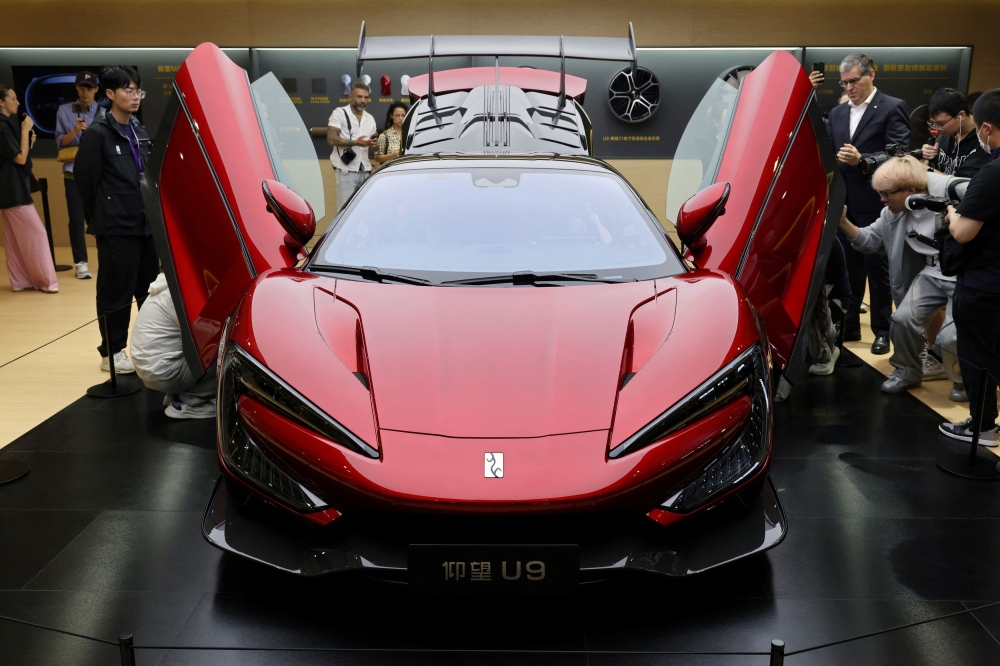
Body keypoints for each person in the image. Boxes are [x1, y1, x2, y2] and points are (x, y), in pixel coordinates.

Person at [838, 156, 962, 396]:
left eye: (887, 194)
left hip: (964, 275)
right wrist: (842, 221)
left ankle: (964, 382)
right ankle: (907, 372)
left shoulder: (953, 195)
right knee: (902, 321)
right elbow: (869, 240)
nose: (883, 201)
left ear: (911, 190)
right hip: (932, 272)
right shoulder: (892, 213)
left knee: (952, 337)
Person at [75, 66, 157, 375]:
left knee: (150, 291)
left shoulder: (138, 129)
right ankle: (111, 351)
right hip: (116, 226)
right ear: (109, 94)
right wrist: (98, 221)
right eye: (128, 90)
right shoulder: (97, 134)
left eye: (138, 91)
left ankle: (151, 346)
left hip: (145, 224)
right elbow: (86, 182)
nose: (135, 96)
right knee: (115, 291)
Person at [827, 54, 910, 356]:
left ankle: (882, 330)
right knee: (847, 268)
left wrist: (863, 160)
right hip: (844, 202)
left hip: (878, 200)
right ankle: (848, 324)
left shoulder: (891, 106)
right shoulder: (837, 114)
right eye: (844, 82)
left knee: (878, 270)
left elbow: (900, 152)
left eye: (853, 80)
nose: (849, 87)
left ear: (871, 75)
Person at [939, 89, 1000, 444]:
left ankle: (983, 427)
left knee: (978, 356)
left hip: (984, 282)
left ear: (986, 128)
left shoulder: (991, 174)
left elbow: (962, 232)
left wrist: (951, 213)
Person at [130, 274, 216, 419]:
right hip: (164, 372)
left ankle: (178, 393)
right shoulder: (180, 295)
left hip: (155, 368)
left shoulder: (170, 286)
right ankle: (189, 401)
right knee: (224, 348)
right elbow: (206, 336)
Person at [0, 84, 58, 293]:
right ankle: (46, 282)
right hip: (13, 190)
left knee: (14, 239)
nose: (17, 103)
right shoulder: (2, 125)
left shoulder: (5, 125)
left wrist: (26, 140)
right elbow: (20, 158)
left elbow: (17, 158)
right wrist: (24, 132)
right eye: (13, 99)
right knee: (38, 234)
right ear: (1, 102)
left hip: (7, 189)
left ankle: (21, 281)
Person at [54, 71, 101, 279]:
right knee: (76, 218)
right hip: (72, 172)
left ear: (96, 89)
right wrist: (75, 130)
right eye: (82, 87)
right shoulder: (64, 111)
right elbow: (60, 143)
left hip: (97, 173)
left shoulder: (102, 112)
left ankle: (107, 257)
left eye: (89, 88)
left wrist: (90, 132)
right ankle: (80, 262)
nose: (85, 92)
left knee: (101, 216)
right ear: (76, 88)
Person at [327, 81, 377, 211]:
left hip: (365, 169)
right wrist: (355, 142)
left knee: (364, 210)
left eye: (366, 97)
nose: (363, 100)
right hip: (346, 170)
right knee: (345, 210)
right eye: (359, 97)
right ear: (350, 97)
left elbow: (374, 147)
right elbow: (331, 139)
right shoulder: (339, 113)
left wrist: (375, 144)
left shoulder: (370, 118)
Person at [922, 88, 991, 178]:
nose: (937, 128)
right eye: (932, 123)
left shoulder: (984, 140)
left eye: (940, 124)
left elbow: (962, 184)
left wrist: (922, 168)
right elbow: (932, 166)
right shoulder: (946, 134)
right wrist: (926, 156)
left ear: (960, 116)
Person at [373, 101, 408, 170]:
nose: (401, 118)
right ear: (391, 116)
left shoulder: (410, 134)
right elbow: (377, 158)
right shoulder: (385, 136)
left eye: (403, 115)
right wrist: (392, 156)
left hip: (407, 171)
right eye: (397, 115)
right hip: (391, 172)